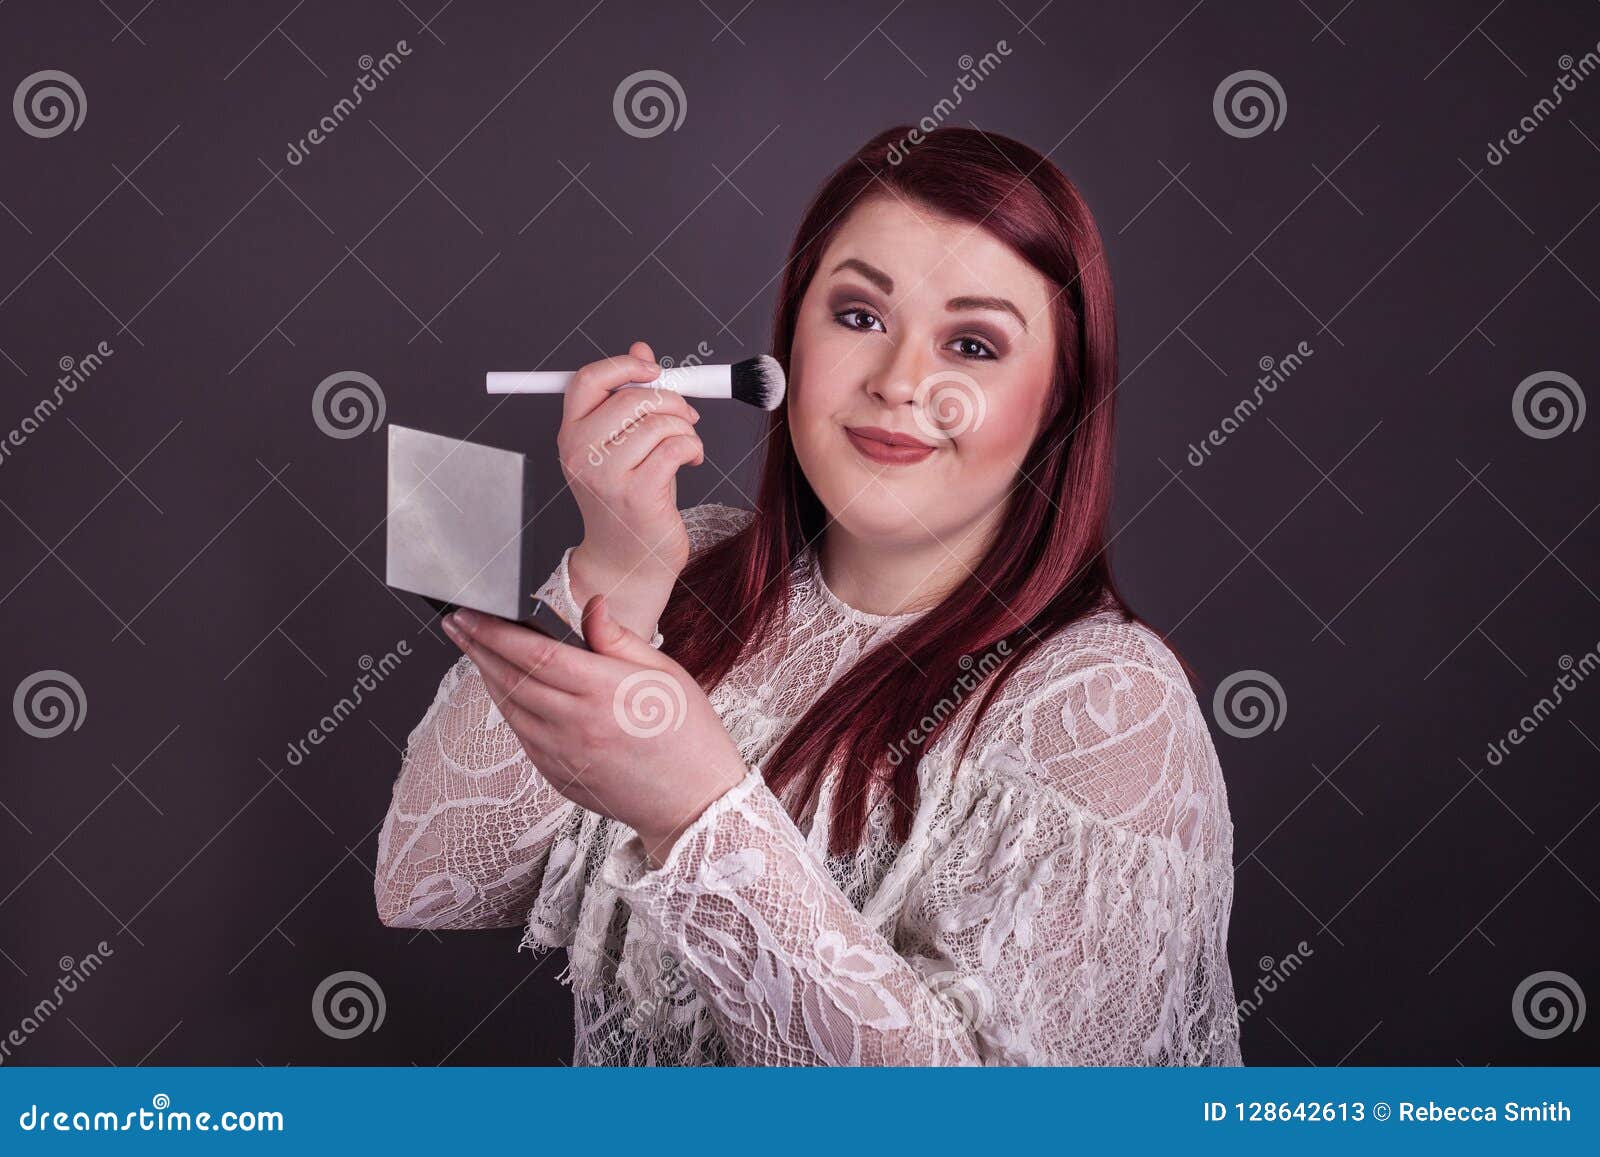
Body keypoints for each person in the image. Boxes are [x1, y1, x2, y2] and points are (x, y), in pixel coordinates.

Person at [374, 125, 1243, 1067]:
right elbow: (427, 882)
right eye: (860, 317)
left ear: (1060, 401)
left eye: (974, 343)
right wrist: (618, 574)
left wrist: (701, 814)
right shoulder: (694, 565)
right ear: (788, 343)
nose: (902, 382)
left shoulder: (1107, 711)